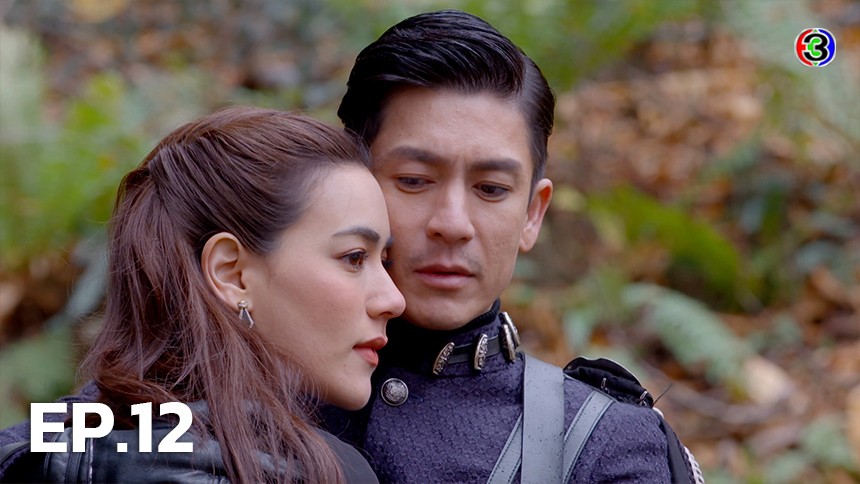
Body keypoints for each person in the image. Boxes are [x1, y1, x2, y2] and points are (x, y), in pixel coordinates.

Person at [320, 9, 701, 483]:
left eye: (491, 189)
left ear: (532, 214)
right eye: (414, 180)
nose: (452, 225)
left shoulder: (599, 445)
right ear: (349, 184)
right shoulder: (250, 395)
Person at [0, 106, 405, 482]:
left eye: (384, 261)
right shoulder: (321, 469)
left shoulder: (49, 454)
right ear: (231, 274)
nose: (393, 300)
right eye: (354, 258)